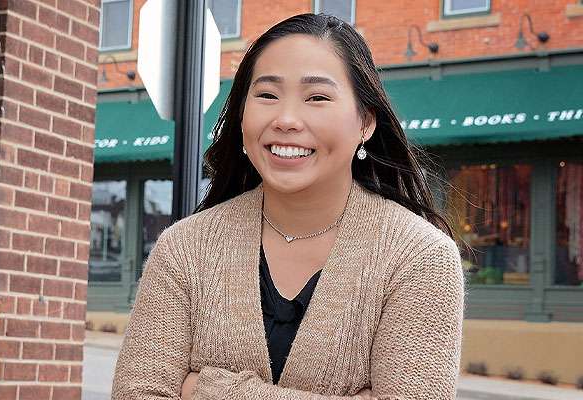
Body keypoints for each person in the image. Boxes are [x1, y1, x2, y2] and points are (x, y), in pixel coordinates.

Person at [111, 13, 465, 400]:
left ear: (365, 122)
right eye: (267, 95)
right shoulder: (185, 248)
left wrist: (209, 388)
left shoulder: (420, 257)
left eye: (317, 97)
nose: (286, 119)